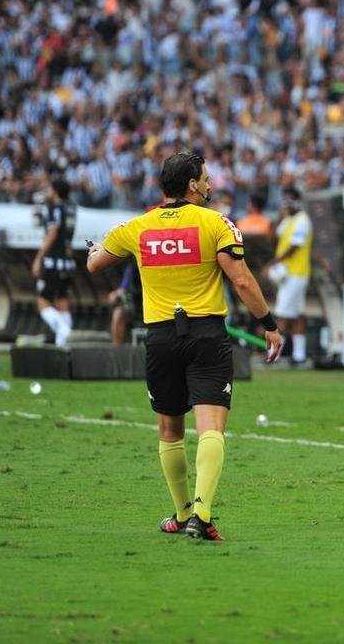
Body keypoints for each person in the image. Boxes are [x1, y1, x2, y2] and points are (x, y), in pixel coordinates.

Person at [87, 150, 284, 541]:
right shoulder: (216, 224)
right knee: (211, 427)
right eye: (207, 178)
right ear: (192, 185)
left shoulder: (138, 227)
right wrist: (269, 325)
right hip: (206, 335)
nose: (211, 184)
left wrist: (93, 249)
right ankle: (202, 514)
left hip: (160, 338)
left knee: (169, 429)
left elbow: (95, 264)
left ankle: (180, 513)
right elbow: (242, 280)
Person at [265, 187, 312, 367]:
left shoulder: (302, 220)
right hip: (289, 275)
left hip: (295, 274)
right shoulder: (288, 220)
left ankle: (273, 357)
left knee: (283, 315)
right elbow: (273, 239)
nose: (286, 203)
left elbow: (294, 247)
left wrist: (272, 263)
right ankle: (299, 356)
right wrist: (279, 218)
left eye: (290, 200)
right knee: (297, 315)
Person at [32, 178, 77, 347]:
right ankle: (62, 343)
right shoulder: (71, 208)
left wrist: (38, 258)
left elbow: (52, 233)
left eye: (49, 189)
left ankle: (64, 332)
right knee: (62, 301)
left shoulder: (54, 208)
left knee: (43, 302)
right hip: (68, 262)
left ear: (55, 191)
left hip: (54, 262)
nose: (47, 193)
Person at [108, 261, 143, 346]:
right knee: (118, 313)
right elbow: (124, 287)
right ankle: (117, 349)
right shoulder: (132, 266)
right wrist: (115, 294)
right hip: (135, 305)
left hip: (152, 305)